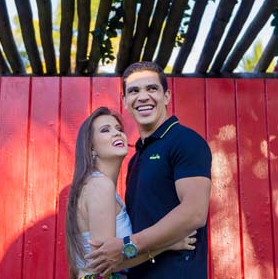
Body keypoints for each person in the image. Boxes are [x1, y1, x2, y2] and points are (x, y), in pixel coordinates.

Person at [85, 62, 212, 278]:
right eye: (134, 91)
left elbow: (194, 213)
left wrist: (128, 245)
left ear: (167, 96)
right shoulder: (136, 158)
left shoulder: (185, 141)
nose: (143, 97)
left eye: (151, 89)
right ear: (125, 101)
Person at [65, 106, 196, 279]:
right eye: (106, 130)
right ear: (91, 149)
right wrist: (168, 244)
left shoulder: (96, 185)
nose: (117, 133)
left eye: (119, 129)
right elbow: (107, 262)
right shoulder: (100, 185)